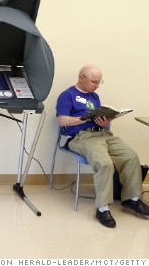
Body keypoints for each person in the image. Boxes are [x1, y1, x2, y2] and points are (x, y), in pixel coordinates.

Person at [55, 64, 149, 228]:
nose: (97, 86)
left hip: (103, 134)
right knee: (105, 163)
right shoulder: (67, 95)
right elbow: (62, 121)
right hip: (81, 137)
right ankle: (102, 208)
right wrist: (85, 118)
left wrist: (105, 122)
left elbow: (102, 124)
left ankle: (132, 199)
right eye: (94, 82)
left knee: (131, 156)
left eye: (99, 82)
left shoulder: (94, 96)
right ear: (81, 78)